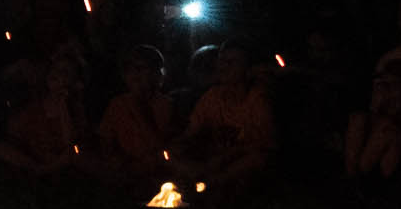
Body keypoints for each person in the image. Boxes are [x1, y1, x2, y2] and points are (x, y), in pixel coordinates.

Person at [180, 44, 278, 195]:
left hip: (239, 163)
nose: (223, 67)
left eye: (231, 62)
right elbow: (191, 132)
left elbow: (265, 144)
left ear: (247, 68)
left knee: (257, 159)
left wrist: (228, 156)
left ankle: (211, 184)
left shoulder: (257, 99)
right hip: (213, 160)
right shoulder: (212, 96)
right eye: (221, 61)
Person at [89, 46, 174, 191]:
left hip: (155, 165)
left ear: (157, 73)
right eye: (131, 69)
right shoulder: (117, 104)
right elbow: (105, 140)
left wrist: (139, 105)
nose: (136, 74)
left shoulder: (165, 104)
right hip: (124, 166)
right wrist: (114, 158)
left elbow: (160, 144)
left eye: (142, 68)